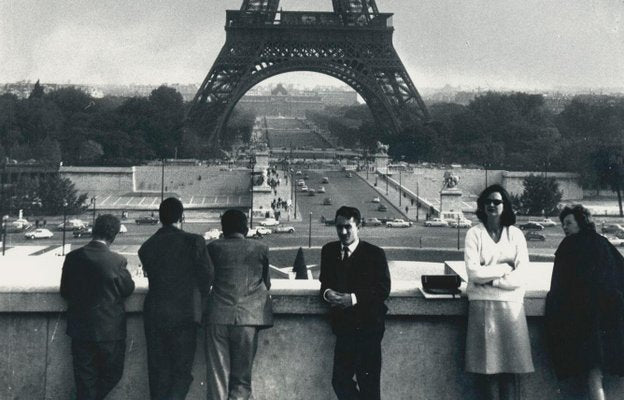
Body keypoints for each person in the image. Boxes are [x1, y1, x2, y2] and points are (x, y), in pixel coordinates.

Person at [545, 205, 624, 400]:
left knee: (592, 373)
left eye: (569, 223)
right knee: (596, 373)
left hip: (583, 321)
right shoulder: (602, 243)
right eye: (563, 224)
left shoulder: (568, 246)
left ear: (580, 222)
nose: (565, 227)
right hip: (606, 319)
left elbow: (559, 285)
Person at [139, 197, 214, 400]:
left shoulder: (146, 247)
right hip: (185, 313)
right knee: (181, 372)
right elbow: (207, 275)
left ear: (160, 217)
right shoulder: (194, 241)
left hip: (155, 313)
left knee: (158, 372)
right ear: (182, 216)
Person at [463, 184, 534, 400]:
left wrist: (491, 281)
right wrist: (504, 268)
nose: (492, 205)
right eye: (487, 202)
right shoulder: (474, 234)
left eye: (496, 201)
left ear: (505, 205)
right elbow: (473, 273)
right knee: (488, 370)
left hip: (511, 308)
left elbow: (521, 276)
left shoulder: (516, 235)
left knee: (510, 370)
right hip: (482, 307)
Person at [319, 206, 391, 400]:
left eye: (348, 227)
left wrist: (352, 299)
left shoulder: (375, 254)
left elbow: (383, 289)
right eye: (339, 227)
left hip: (369, 329)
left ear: (358, 226)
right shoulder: (328, 251)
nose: (343, 232)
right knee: (340, 381)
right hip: (343, 329)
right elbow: (324, 282)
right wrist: (327, 294)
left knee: (369, 386)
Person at [60, 214, 135, 400]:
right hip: (110, 330)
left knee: (85, 379)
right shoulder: (117, 261)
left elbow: (65, 291)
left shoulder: (72, 257)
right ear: (114, 235)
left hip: (80, 329)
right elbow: (128, 289)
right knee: (113, 373)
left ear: (94, 230)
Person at [204, 209, 273, 400]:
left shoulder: (213, 248)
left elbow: (206, 280)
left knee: (218, 377)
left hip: (217, 315)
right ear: (246, 228)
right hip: (249, 318)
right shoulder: (260, 248)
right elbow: (267, 284)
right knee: (242, 381)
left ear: (223, 228)